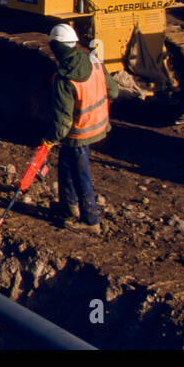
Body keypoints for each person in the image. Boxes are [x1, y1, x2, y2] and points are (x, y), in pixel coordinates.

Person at [44, 23, 119, 233]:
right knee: (66, 164)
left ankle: (91, 221)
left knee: (80, 173)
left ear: (56, 48)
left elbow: (63, 122)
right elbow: (113, 91)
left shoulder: (64, 77)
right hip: (98, 125)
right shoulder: (93, 61)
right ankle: (69, 207)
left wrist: (48, 140)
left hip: (79, 131)